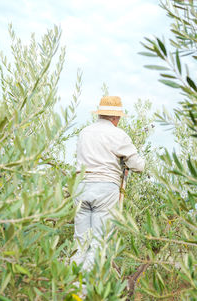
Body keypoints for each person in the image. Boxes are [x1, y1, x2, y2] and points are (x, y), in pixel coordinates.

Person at [72, 96, 145, 271]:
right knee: (98, 243)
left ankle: (72, 288)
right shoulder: (118, 134)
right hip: (105, 189)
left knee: (80, 242)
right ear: (115, 117)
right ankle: (86, 292)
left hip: (80, 187)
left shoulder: (84, 132)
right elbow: (138, 166)